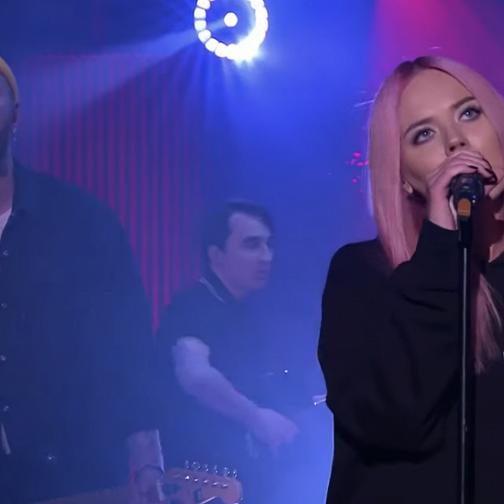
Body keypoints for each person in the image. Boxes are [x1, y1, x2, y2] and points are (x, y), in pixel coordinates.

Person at [318, 55, 504, 504]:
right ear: (404, 179)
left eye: (469, 113)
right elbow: (393, 416)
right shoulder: (363, 275)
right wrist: (441, 244)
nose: (456, 142)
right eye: (424, 135)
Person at [0, 57, 164, 503]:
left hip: (71, 475)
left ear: (16, 113)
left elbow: (128, 346)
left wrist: (148, 460)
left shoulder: (80, 221)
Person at [156, 200, 300, 502]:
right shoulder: (192, 305)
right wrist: (255, 417)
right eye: (252, 245)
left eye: (269, 245)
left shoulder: (247, 313)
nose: (266, 256)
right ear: (216, 254)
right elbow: (195, 376)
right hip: (206, 485)